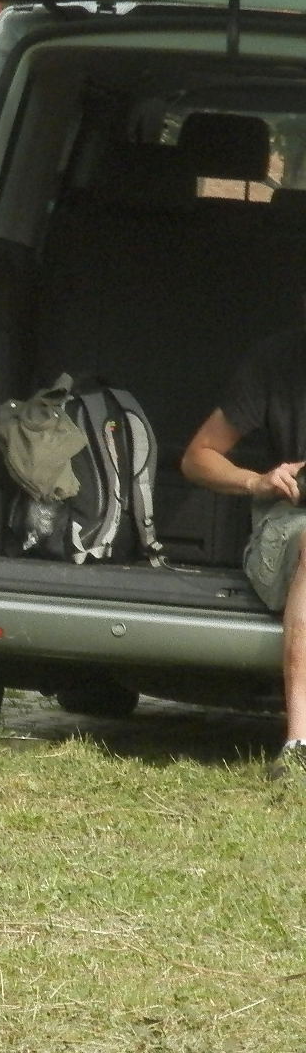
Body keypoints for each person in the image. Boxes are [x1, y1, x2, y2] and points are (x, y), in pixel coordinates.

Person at [182, 323, 306, 779]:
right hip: (290, 522)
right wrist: (258, 481)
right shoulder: (277, 360)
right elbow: (198, 457)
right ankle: (300, 744)